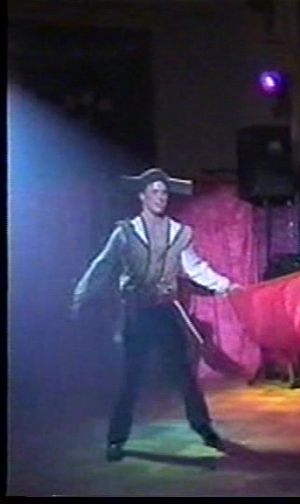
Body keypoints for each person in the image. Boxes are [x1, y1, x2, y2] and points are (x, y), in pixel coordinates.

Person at [71, 168, 243, 462]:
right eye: (154, 192)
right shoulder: (125, 233)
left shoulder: (179, 233)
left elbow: (195, 268)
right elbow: (103, 266)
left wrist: (226, 285)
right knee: (130, 378)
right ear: (142, 196)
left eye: (164, 192)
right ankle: (116, 438)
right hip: (137, 314)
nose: (160, 197)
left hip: (165, 311)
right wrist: (81, 296)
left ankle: (204, 429)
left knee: (184, 375)